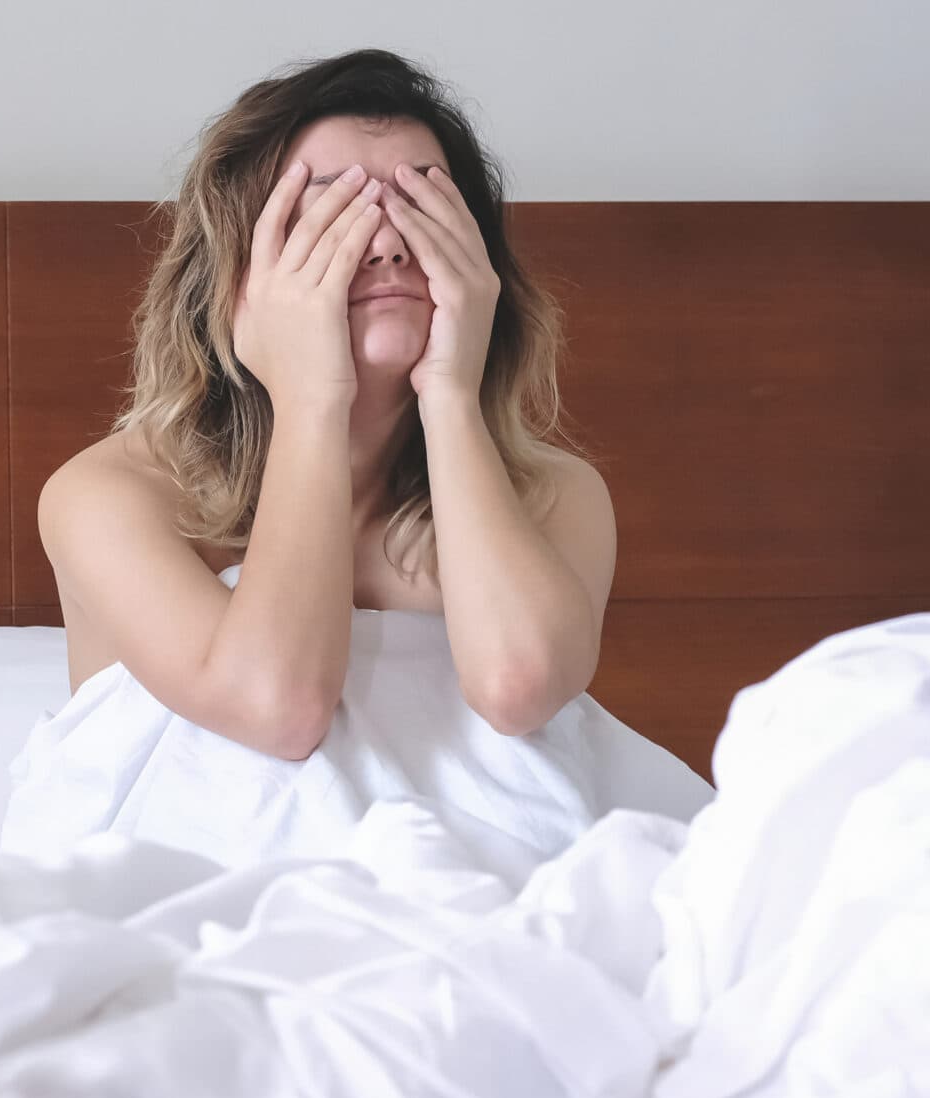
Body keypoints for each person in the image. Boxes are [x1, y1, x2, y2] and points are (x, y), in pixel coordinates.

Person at [39, 49, 609, 759]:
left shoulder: (557, 495)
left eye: (422, 207)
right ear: (238, 273)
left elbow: (520, 688)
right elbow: (278, 710)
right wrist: (312, 401)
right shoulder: (108, 495)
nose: (388, 247)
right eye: (335, 214)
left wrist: (452, 396)